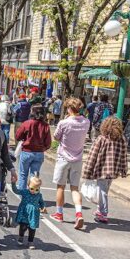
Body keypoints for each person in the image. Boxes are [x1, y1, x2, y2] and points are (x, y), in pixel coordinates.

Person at [48, 98, 90, 229]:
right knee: (74, 188)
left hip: (64, 158)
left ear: (69, 109)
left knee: (60, 186)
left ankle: (59, 213)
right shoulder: (86, 122)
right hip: (77, 158)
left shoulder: (64, 123)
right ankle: (79, 213)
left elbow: (56, 137)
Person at [82, 116, 128, 225]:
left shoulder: (101, 139)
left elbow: (92, 156)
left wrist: (87, 170)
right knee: (105, 190)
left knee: (102, 191)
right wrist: (124, 169)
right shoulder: (122, 139)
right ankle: (100, 210)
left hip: (102, 169)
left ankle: (103, 213)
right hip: (113, 170)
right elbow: (124, 156)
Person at [14, 105, 52, 190]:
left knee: (23, 174)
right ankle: (32, 194)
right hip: (39, 153)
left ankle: (23, 196)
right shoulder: (45, 125)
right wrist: (42, 149)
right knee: (34, 175)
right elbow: (48, 143)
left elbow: (18, 136)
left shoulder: (27, 123)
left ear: (33, 112)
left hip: (27, 151)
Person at [11, 175, 45, 249]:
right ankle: (21, 237)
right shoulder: (25, 192)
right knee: (23, 226)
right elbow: (16, 191)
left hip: (33, 214)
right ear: (28, 185)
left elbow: (41, 202)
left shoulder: (39, 195)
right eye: (32, 188)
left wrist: (43, 207)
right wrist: (13, 183)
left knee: (32, 228)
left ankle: (30, 241)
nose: (34, 191)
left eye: (37, 189)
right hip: (24, 213)